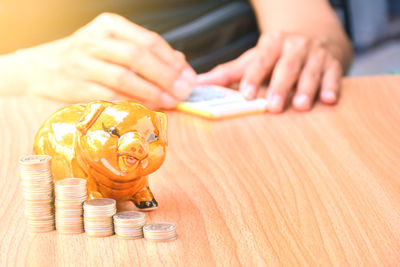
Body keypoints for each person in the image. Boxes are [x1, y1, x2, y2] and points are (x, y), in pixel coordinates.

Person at [0, 0, 352, 113]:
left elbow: (310, 23)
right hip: (56, 113)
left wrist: (300, 48)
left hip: (259, 107)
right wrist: (32, 70)